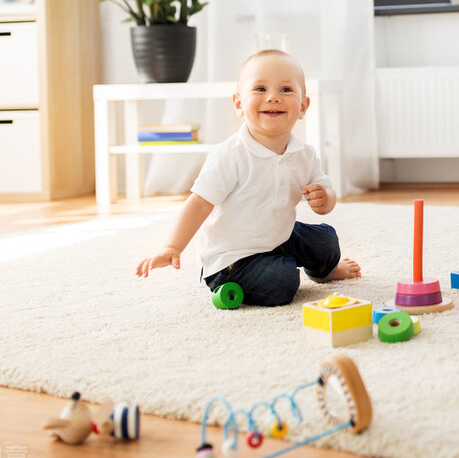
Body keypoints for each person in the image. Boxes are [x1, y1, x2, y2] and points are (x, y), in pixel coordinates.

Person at [136, 49, 360, 305]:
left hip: (278, 237)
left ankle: (324, 271)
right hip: (233, 259)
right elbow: (199, 203)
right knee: (283, 282)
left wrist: (325, 198)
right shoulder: (230, 155)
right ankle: (265, 272)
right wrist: (172, 247)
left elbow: (327, 191)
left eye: (286, 90)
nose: (273, 98)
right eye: (260, 89)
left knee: (325, 239)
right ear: (239, 104)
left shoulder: (304, 153)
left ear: (303, 106)